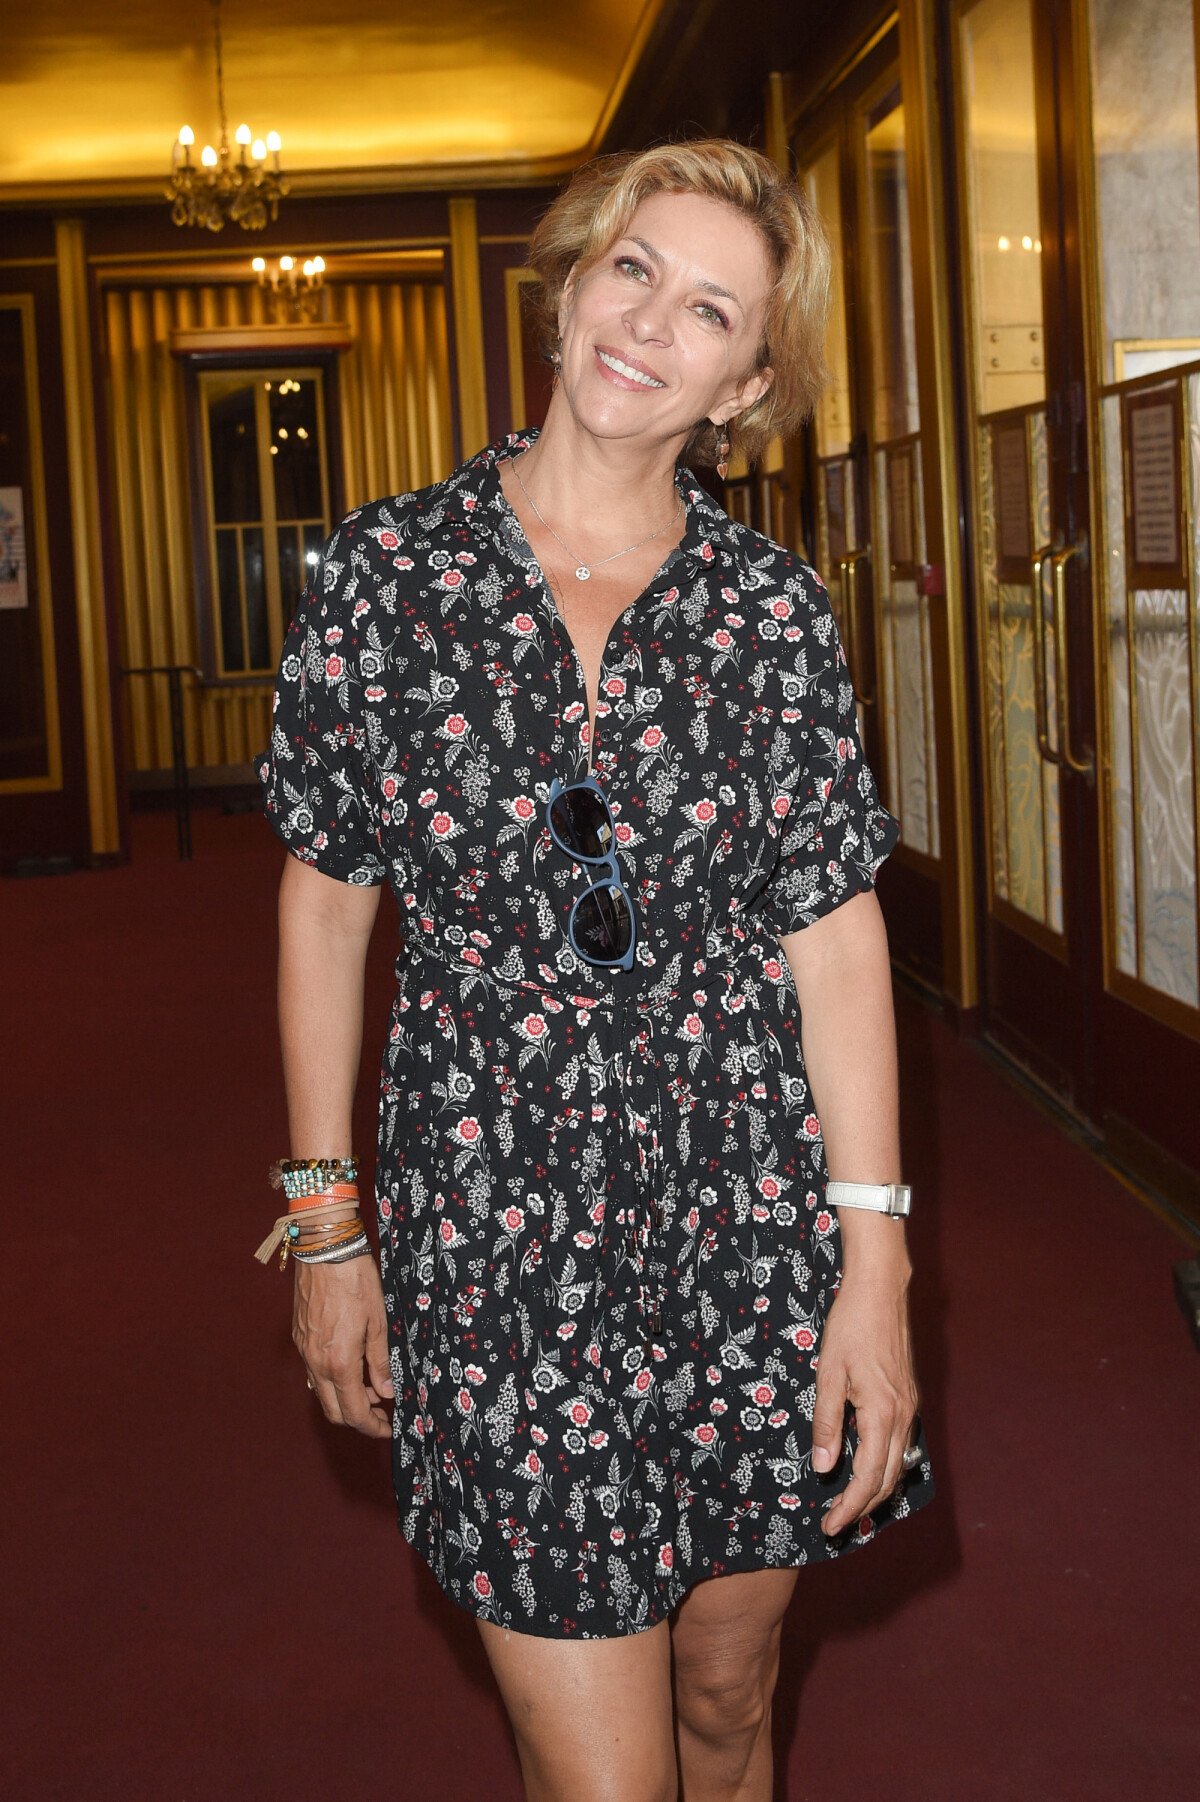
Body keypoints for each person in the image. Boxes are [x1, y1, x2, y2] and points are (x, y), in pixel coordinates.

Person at [255, 138, 933, 1802]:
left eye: (711, 309)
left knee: (726, 1701)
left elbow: (834, 936)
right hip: (491, 1231)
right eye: (635, 268)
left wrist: (875, 1270)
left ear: (748, 379)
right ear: (572, 281)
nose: (651, 323)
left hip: (745, 1222)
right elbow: (327, 903)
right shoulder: (387, 577)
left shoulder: (770, 613)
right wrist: (330, 1216)